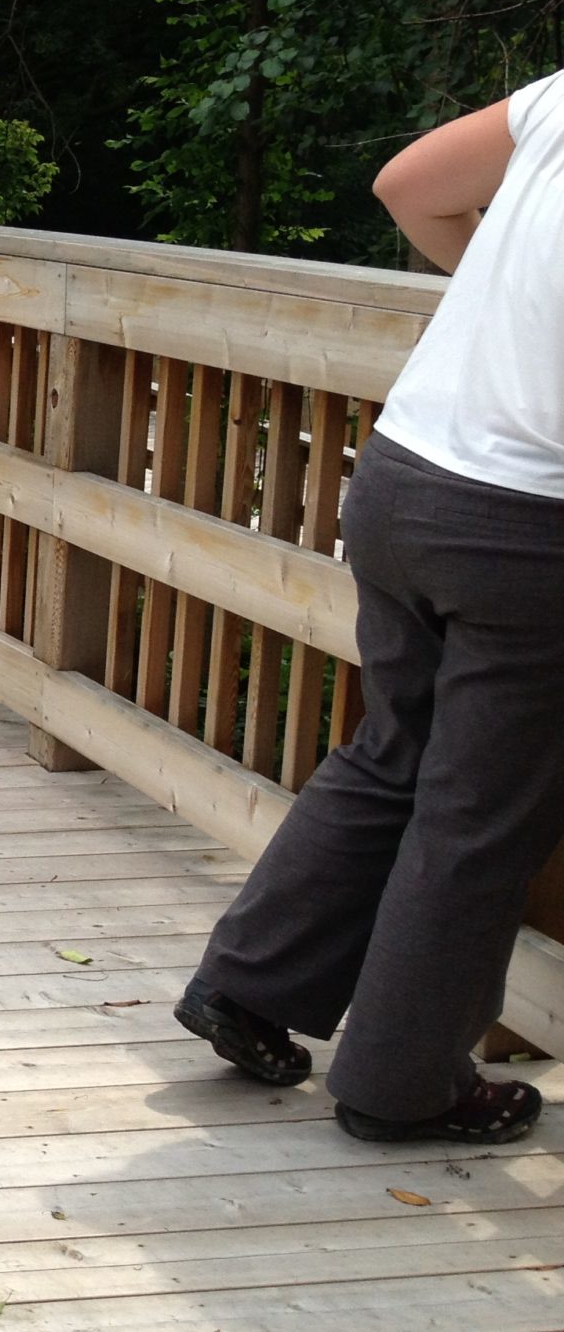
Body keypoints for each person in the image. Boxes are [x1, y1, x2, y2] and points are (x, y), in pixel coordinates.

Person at [177, 68, 564, 1145]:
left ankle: (247, 983)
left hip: (402, 472)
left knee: (395, 748)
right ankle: (403, 1084)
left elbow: (405, 185)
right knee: (477, 815)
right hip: (527, 524)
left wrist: (499, 299)